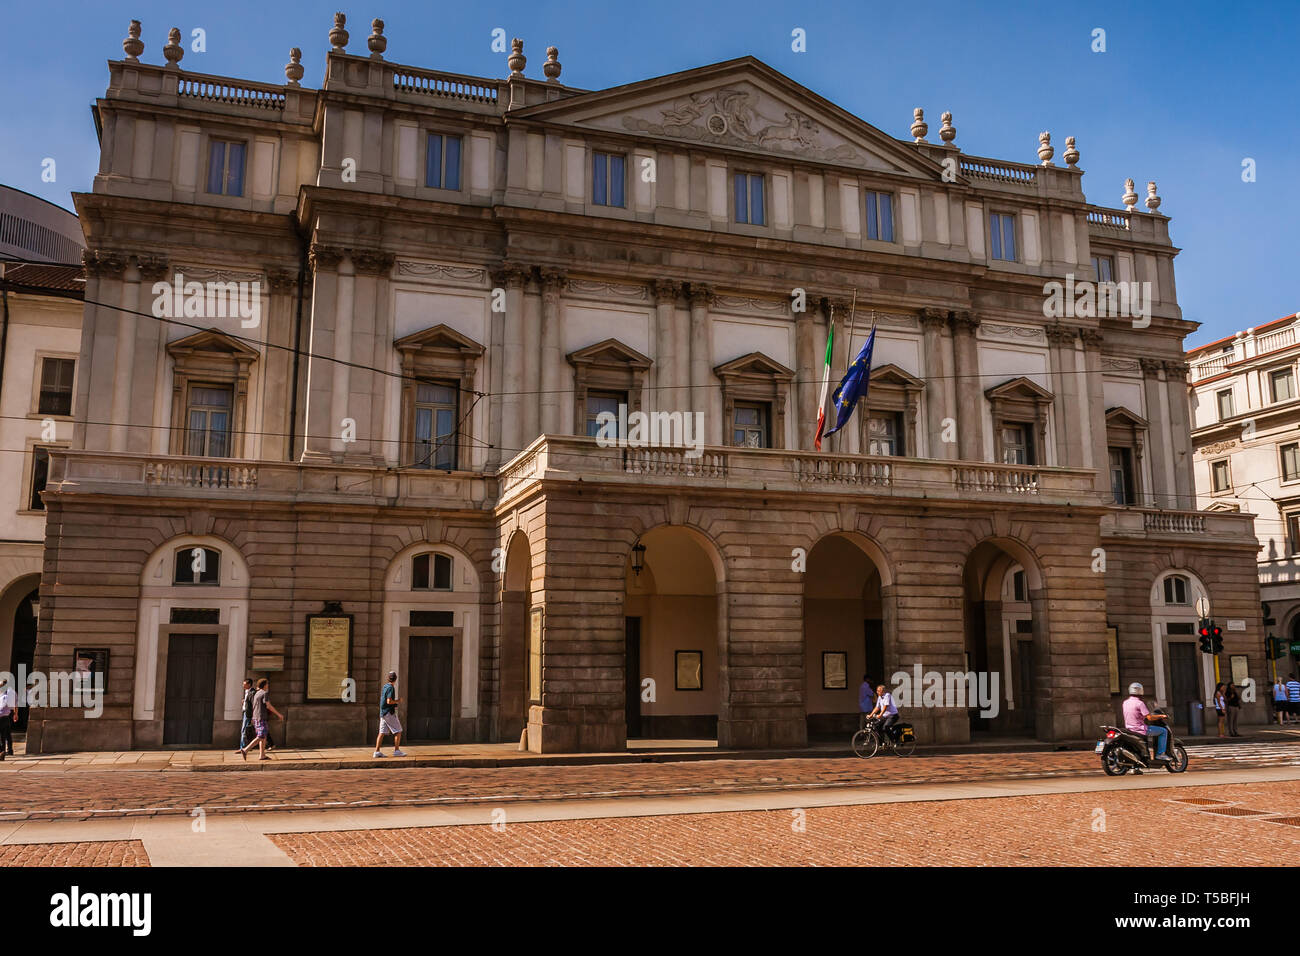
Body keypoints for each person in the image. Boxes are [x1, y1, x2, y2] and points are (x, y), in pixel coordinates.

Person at [1122, 682, 1170, 762]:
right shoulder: (1140, 703)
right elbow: (1149, 718)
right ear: (1141, 691)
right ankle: (1160, 754)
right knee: (1163, 731)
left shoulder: (1125, 703)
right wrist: (1163, 716)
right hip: (1140, 729)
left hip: (1129, 728)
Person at [239, 678, 283, 761]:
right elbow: (268, 706)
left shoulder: (257, 693)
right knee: (261, 736)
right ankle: (245, 750)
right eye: (267, 684)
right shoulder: (264, 693)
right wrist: (279, 714)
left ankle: (262, 755)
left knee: (264, 736)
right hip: (261, 717)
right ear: (264, 685)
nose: (268, 686)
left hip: (256, 717)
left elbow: (254, 706)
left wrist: (253, 717)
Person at [374, 671, 406, 758]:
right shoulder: (391, 688)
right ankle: (396, 751)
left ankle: (377, 752)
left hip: (383, 713)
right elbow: (389, 701)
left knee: (381, 732)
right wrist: (398, 701)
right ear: (395, 678)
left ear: (388, 678)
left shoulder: (385, 686)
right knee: (398, 731)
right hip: (388, 713)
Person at [235, 678, 255, 753]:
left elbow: (253, 705)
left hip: (248, 714)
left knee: (244, 731)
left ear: (249, 684)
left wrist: (253, 716)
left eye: (244, 684)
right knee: (245, 731)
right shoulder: (247, 692)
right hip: (245, 713)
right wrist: (245, 702)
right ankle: (246, 747)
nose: (243, 685)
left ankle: (242, 748)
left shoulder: (252, 692)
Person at [0, 679, 14, 760]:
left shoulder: (5, 695)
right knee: (4, 736)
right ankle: (2, 752)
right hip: (5, 717)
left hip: (3, 717)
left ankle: (2, 752)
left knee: (4, 736)